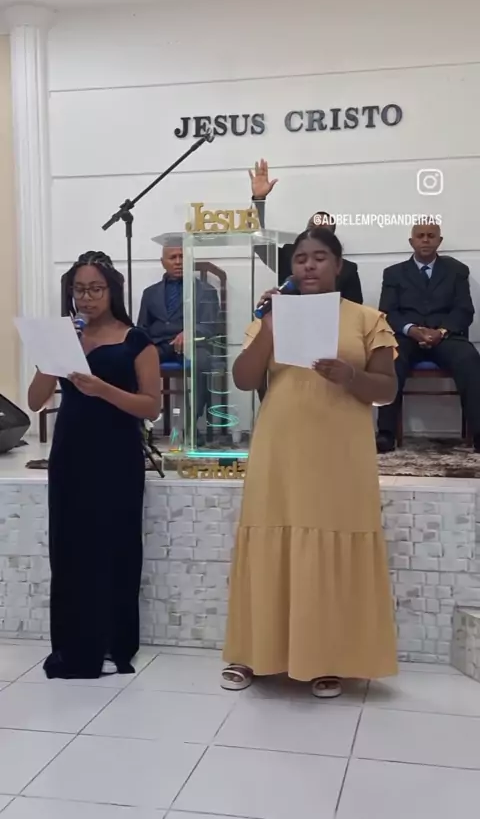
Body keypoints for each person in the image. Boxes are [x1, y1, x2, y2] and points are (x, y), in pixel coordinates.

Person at [221, 227, 398, 698]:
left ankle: (328, 658)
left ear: (338, 265)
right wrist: (270, 328)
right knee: (270, 539)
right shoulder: (271, 315)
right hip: (280, 447)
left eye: (320, 257)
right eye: (301, 259)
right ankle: (255, 653)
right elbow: (244, 379)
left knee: (332, 542)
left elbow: (387, 390)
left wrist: (351, 375)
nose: (309, 266)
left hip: (340, 451)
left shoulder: (367, 319)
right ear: (291, 267)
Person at [28, 251, 161, 679]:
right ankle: (74, 644)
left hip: (117, 453)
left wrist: (103, 389)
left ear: (112, 291)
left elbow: (151, 407)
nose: (86, 298)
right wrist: (54, 353)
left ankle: (114, 642)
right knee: (70, 546)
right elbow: (35, 400)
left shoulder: (135, 340)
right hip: (71, 452)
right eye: (79, 290)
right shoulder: (64, 337)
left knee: (115, 545)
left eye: (95, 289)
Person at [376, 223, 480, 453]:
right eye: (420, 236)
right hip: (407, 337)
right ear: (411, 241)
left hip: (445, 336)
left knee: (470, 359)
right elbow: (388, 312)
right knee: (390, 358)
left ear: (439, 241)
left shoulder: (457, 271)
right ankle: (385, 434)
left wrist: (440, 332)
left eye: (431, 236)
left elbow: (464, 310)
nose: (425, 240)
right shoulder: (393, 273)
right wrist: (412, 329)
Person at [249, 158, 363, 303]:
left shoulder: (348, 269)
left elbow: (354, 309)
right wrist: (259, 200)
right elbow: (259, 242)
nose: (309, 266)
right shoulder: (288, 255)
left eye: (320, 258)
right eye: (312, 228)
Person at [137, 236, 219, 419]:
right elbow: (142, 327)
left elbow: (210, 327)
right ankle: (141, 417)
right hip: (159, 345)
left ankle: (192, 419)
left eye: (182, 256)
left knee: (203, 361)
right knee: (132, 359)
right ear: (163, 262)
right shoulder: (149, 293)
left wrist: (190, 332)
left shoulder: (206, 291)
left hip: (192, 346)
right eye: (172, 257)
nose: (178, 262)